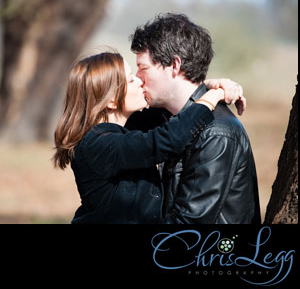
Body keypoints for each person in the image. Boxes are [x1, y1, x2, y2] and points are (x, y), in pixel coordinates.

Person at [53, 51, 243, 223]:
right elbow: (168, 139)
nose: (139, 80)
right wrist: (213, 96)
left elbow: (177, 103)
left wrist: (205, 86)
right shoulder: (99, 144)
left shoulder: (126, 126)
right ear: (111, 100)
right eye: (130, 80)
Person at [130, 13, 261, 223]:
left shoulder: (216, 132)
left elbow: (189, 224)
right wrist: (210, 85)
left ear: (174, 65)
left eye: (143, 68)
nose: (137, 78)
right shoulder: (165, 116)